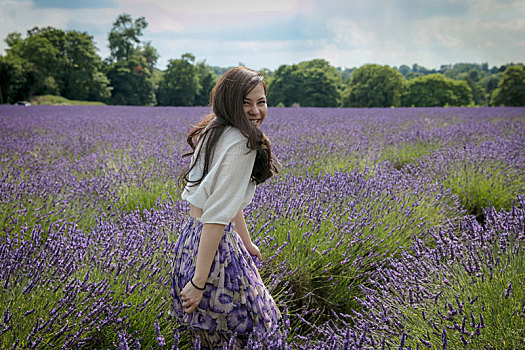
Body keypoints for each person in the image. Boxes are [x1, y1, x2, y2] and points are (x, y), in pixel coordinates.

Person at [169, 66, 281, 349]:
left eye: (261, 101)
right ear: (229, 102)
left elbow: (225, 200)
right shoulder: (243, 143)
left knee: (209, 335)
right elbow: (217, 217)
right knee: (260, 329)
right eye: (246, 102)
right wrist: (198, 282)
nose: (256, 111)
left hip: (191, 243)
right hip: (215, 249)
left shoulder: (213, 130)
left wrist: (247, 241)